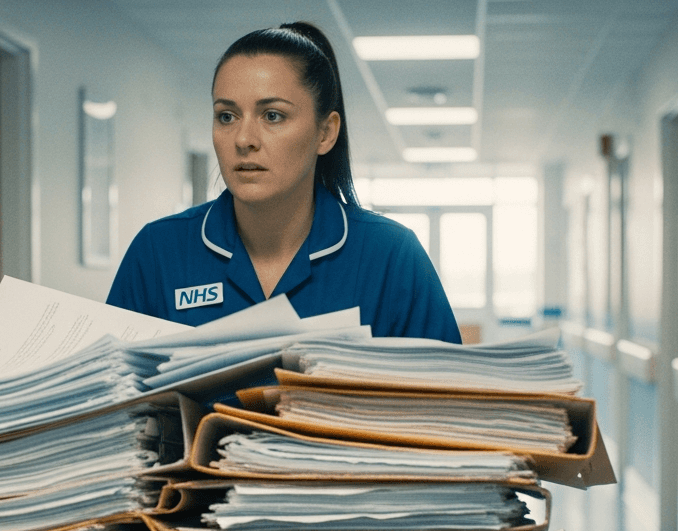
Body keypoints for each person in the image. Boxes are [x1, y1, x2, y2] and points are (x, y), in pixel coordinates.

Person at [105, 22, 462, 344]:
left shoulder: (391, 256)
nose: (243, 139)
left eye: (272, 115)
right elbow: (109, 404)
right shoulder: (157, 252)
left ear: (326, 132)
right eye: (226, 116)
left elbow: (447, 405)